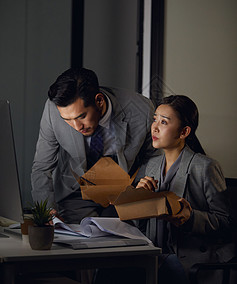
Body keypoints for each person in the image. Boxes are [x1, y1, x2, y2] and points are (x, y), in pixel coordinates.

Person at [31, 67, 159, 223]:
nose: (77, 126)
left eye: (82, 116)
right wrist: (47, 211)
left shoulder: (141, 110)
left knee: (120, 243)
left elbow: (154, 156)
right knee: (79, 242)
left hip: (123, 194)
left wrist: (139, 189)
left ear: (99, 100)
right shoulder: (53, 111)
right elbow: (42, 167)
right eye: (68, 120)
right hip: (75, 193)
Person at [136, 95, 234, 283]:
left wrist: (190, 217)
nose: (154, 127)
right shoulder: (150, 166)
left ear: (184, 132)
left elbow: (226, 223)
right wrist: (139, 201)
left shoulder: (205, 167)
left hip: (190, 259)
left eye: (163, 122)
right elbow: (141, 228)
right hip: (153, 253)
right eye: (154, 119)